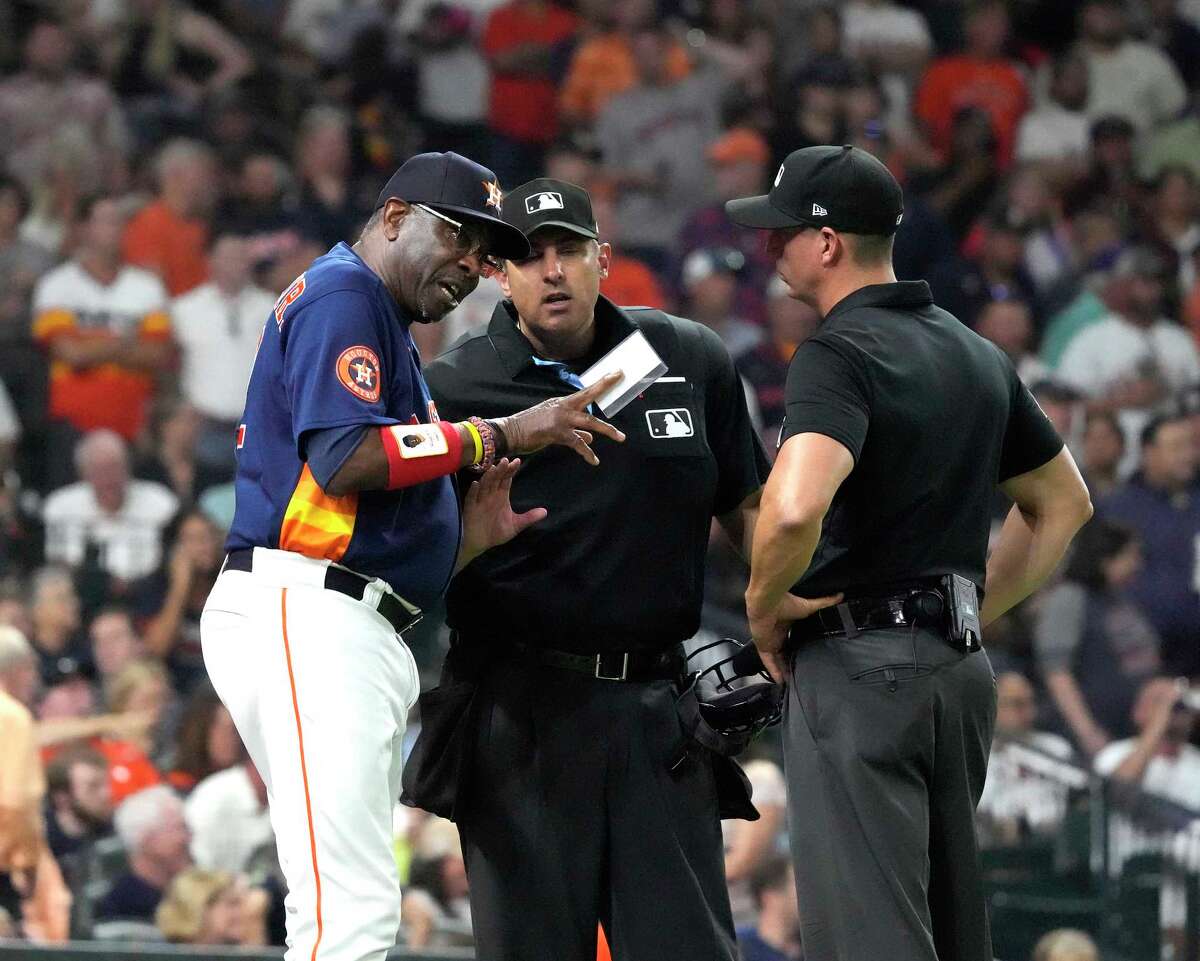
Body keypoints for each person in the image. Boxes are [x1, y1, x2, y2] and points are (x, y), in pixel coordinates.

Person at [200, 150, 624, 961]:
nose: (475, 264)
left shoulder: (372, 314)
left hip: (333, 612)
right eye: (463, 237)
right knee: (349, 906)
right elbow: (345, 456)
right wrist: (497, 433)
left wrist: (461, 541)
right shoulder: (343, 293)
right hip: (307, 608)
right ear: (396, 218)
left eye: (487, 252)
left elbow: (355, 500)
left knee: (337, 898)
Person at [728, 144, 1093, 961]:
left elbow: (791, 511)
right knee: (955, 933)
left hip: (859, 670)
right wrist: (971, 607)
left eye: (780, 233)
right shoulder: (973, 350)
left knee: (869, 941)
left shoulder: (838, 352)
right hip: (958, 676)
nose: (770, 249)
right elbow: (1065, 503)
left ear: (826, 243)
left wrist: (764, 607)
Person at [419, 176, 769, 961]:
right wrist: (466, 541)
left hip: (660, 713)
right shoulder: (451, 392)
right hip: (519, 717)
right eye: (528, 255)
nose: (552, 270)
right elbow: (405, 572)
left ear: (602, 259)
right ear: (494, 273)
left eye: (569, 250)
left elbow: (751, 510)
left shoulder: (689, 356)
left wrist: (785, 626)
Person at [1098, 411, 1200, 677]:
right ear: (1149, 452)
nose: (1188, 455)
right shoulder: (1118, 507)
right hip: (1138, 654)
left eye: (1191, 445)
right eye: (1177, 447)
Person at [975, 672, 1074, 846]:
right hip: (994, 853)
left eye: (1031, 703)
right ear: (994, 706)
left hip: (1051, 847)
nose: (1028, 712)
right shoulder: (977, 754)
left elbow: (1080, 798)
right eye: (1018, 704)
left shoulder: (1055, 749)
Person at [96, 784, 191, 923]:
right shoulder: (122, 908)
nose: (188, 838)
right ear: (146, 839)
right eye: (179, 828)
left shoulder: (194, 897)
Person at [736, 856, 802, 961]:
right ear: (770, 898)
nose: (807, 895)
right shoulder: (739, 947)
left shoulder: (810, 947)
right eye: (798, 885)